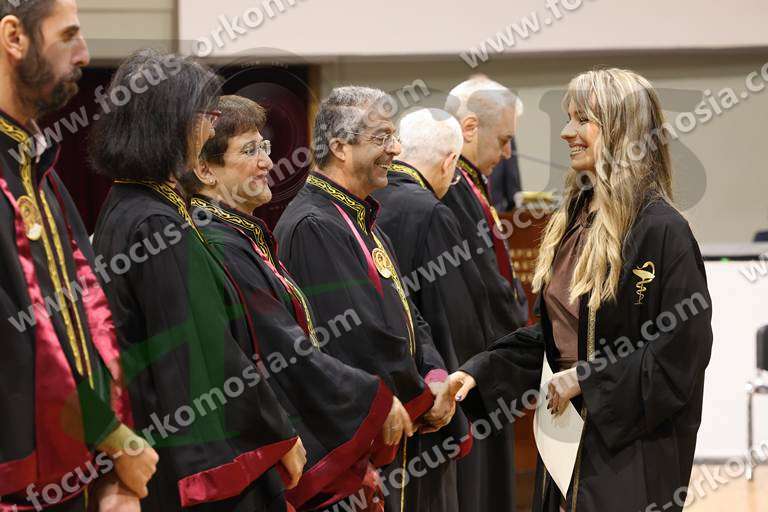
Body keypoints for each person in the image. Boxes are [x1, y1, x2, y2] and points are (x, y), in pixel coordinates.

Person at [450, 68, 713, 512]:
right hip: (564, 443)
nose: (567, 132)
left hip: (627, 454)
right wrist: (481, 371)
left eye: (582, 120)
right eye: (568, 118)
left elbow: (679, 356)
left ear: (621, 130)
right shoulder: (575, 218)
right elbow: (555, 335)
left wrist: (588, 381)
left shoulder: (662, 230)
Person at [90, 49, 306, 511]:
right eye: (204, 116)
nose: (210, 130)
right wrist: (279, 434)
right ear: (170, 123)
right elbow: (204, 347)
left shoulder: (133, 204)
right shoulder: (155, 221)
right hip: (184, 454)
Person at [183, 94, 414, 511]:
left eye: (265, 147)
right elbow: (281, 349)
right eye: (250, 151)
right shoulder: (219, 242)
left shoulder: (241, 236)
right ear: (205, 169)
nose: (267, 162)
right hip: (261, 456)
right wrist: (372, 400)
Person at [0, 1, 158, 510]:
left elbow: (88, 319)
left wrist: (108, 463)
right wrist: (111, 437)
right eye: (68, 35)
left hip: (72, 474)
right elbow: (14, 338)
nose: (85, 54)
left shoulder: (36, 165)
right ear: (14, 37)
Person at [275, 86, 459, 512]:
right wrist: (423, 396)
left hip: (398, 420)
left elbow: (410, 316)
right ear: (340, 147)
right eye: (381, 138)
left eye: (393, 136)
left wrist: (435, 375)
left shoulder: (360, 217)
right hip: (361, 439)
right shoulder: (313, 224)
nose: (395, 149)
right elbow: (353, 339)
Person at [373, 107, 497, 512]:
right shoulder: (431, 212)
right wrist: (456, 389)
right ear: (450, 162)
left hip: (373, 402)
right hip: (426, 407)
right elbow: (455, 318)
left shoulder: (364, 203)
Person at [440, 75, 528, 512]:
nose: (508, 154)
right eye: (505, 140)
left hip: (489, 361)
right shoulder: (453, 188)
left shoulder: (471, 184)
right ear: (470, 128)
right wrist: (522, 337)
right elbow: (482, 287)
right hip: (472, 364)